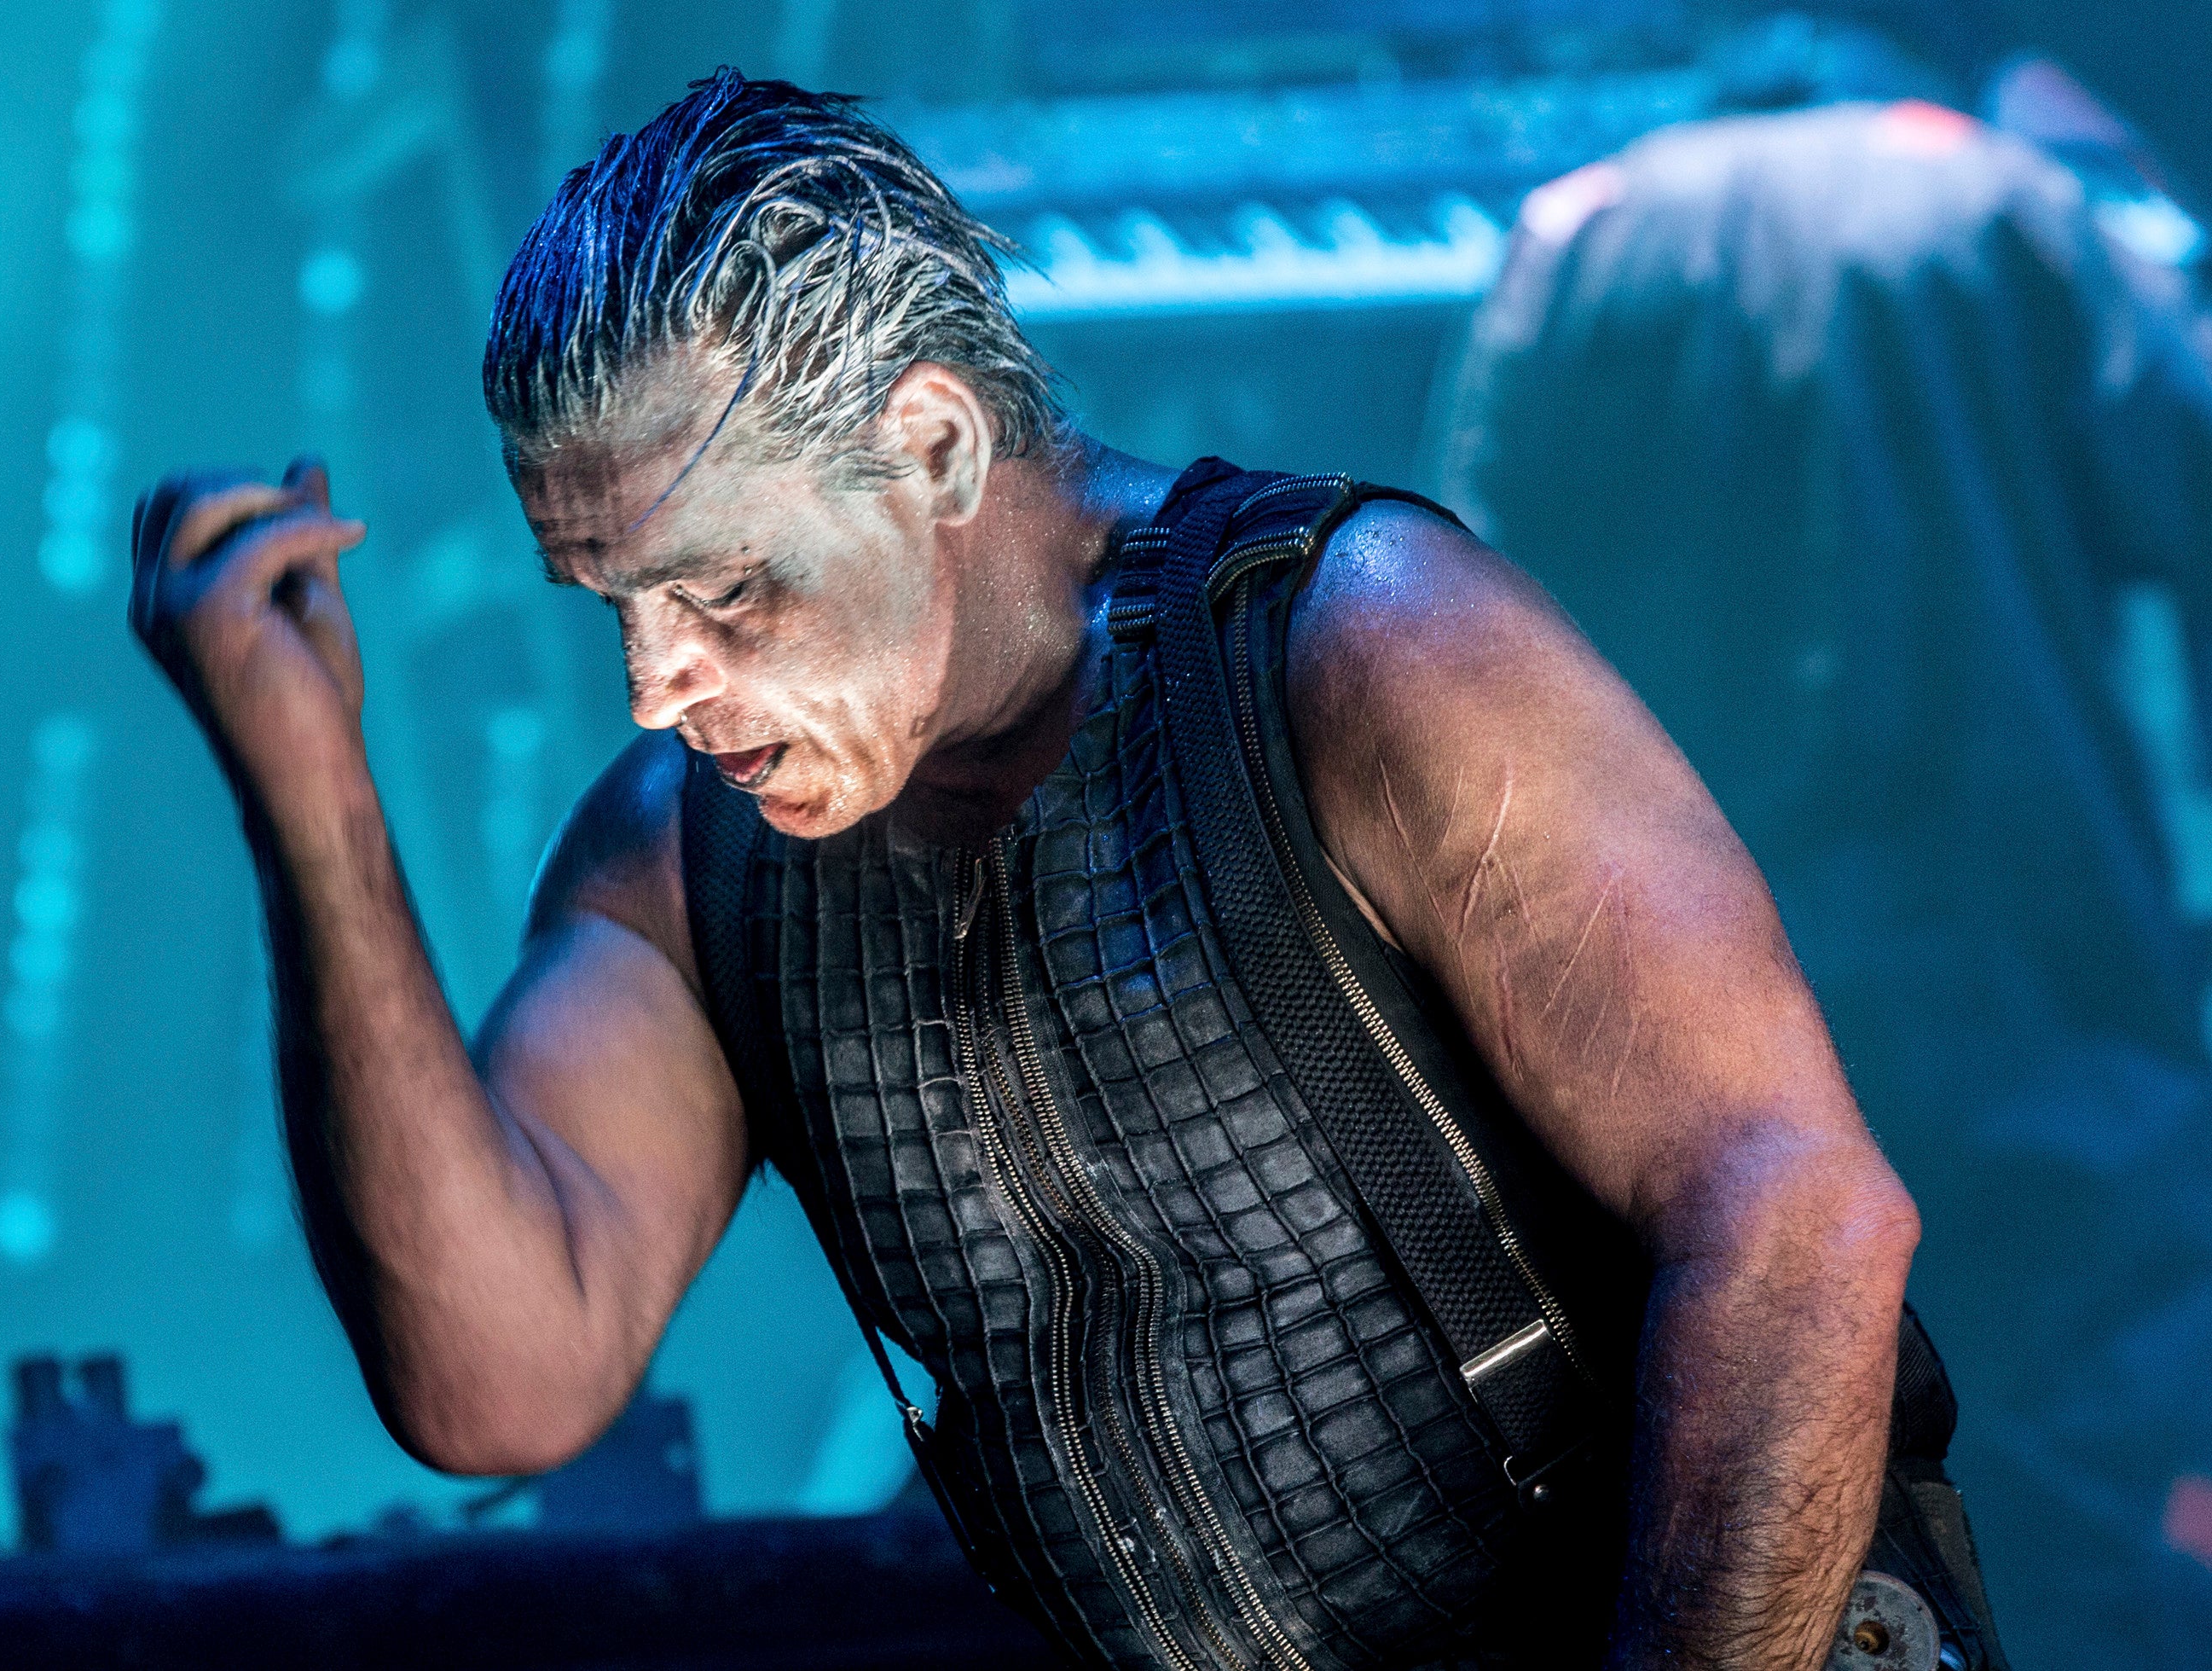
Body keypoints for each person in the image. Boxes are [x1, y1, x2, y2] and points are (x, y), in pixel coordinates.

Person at [129, 73, 1993, 1668]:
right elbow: (498, 1381)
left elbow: (1799, 1223)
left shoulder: (1356, 653)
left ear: (933, 446)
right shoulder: (692, 864)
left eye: (728, 588)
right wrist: (312, 798)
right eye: (611, 601)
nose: (654, 685)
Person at [1430, 96, 2212, 1659]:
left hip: (1702, 950)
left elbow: (1471, 616)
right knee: (2064, 1392)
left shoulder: (1576, 233)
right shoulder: (1994, 197)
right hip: (2019, 925)